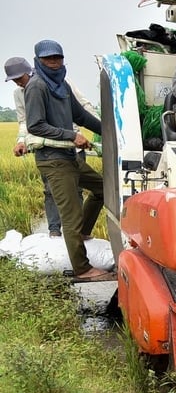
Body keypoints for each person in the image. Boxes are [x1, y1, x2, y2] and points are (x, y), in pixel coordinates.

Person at [23, 39, 110, 282]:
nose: (54, 63)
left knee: (102, 188)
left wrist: (110, 131)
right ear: (38, 61)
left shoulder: (61, 85)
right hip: (53, 160)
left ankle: (82, 234)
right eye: (48, 59)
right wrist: (72, 135)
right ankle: (82, 269)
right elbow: (36, 125)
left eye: (58, 58)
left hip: (70, 157)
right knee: (70, 215)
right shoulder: (37, 86)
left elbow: (80, 115)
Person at [7, 56, 98, 238]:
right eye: (14, 80)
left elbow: (83, 108)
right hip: (48, 150)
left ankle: (79, 233)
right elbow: (26, 122)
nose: (18, 83)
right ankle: (54, 231)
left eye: (20, 78)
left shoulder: (61, 83)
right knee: (50, 190)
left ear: (29, 71)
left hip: (73, 147)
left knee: (76, 190)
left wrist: (101, 129)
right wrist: (21, 141)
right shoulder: (20, 93)